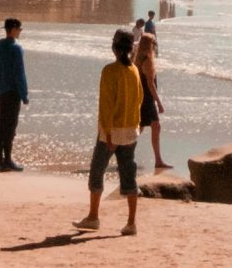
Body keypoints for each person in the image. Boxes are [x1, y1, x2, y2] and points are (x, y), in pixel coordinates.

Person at [72, 27, 144, 237]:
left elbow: (106, 106)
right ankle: (131, 223)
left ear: (114, 48)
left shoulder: (109, 71)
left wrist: (109, 134)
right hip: (131, 129)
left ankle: (93, 216)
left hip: (112, 130)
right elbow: (139, 100)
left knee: (97, 171)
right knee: (128, 174)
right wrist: (136, 126)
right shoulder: (134, 71)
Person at [0, 17, 28, 171]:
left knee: (0, 124)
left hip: (1, 91)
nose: (20, 32)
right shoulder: (16, 48)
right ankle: (8, 160)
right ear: (13, 29)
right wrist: (24, 94)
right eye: (19, 29)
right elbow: (20, 73)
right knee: (10, 126)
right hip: (13, 92)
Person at [136, 27, 171, 173]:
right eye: (154, 44)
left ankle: (122, 153)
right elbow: (150, 84)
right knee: (155, 126)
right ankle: (158, 160)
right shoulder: (148, 61)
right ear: (150, 45)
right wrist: (159, 102)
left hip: (140, 97)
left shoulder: (137, 58)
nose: (155, 46)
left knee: (139, 128)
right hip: (147, 100)